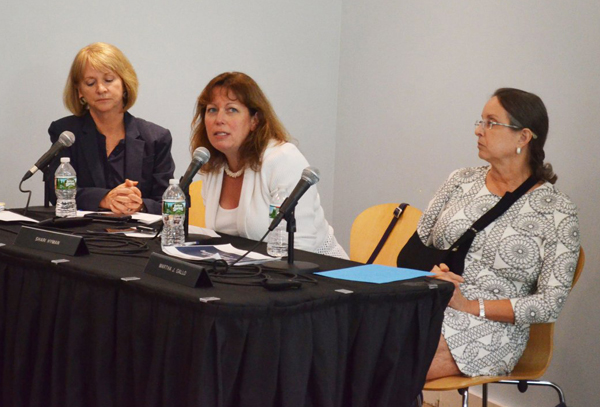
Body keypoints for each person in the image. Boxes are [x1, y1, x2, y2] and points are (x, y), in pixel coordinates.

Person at [419, 88, 580, 379]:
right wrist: (428, 271)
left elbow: (549, 304)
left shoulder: (557, 210)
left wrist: (468, 305)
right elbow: (416, 247)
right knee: (361, 339)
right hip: (432, 303)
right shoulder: (460, 180)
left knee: (399, 358)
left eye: (491, 123)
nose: (479, 131)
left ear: (523, 137)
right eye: (480, 122)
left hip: (492, 329)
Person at [190, 72, 348, 258]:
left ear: (254, 120)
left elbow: (299, 247)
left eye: (231, 109)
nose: (219, 119)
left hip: (316, 273)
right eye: (212, 110)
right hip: (249, 272)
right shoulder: (214, 166)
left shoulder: (283, 159)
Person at [45, 42, 175, 214]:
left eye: (109, 80)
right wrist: (105, 198)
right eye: (90, 83)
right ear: (80, 91)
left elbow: (168, 202)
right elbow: (56, 192)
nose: (101, 89)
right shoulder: (66, 133)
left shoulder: (156, 138)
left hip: (139, 236)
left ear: (124, 84)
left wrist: (139, 204)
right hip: (83, 234)